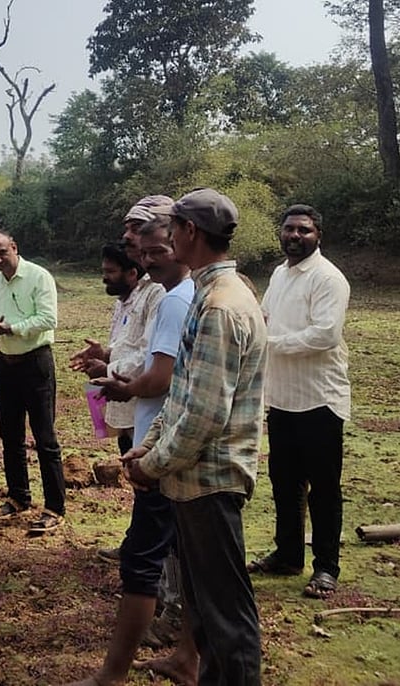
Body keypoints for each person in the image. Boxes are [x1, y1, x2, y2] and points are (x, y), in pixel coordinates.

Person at [122, 188, 266, 684]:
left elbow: (203, 414)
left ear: (189, 232)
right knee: (205, 611)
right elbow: (184, 392)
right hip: (194, 478)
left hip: (211, 480)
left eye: (171, 228)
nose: (163, 239)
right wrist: (150, 445)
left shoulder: (221, 306)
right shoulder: (209, 294)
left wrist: (152, 464)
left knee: (227, 617)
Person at [67, 213, 199, 686]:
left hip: (164, 446)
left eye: (154, 251)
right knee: (183, 550)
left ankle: (115, 673)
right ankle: (187, 655)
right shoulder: (176, 294)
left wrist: (120, 384)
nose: (145, 260)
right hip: (159, 433)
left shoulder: (174, 299)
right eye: (141, 252)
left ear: (184, 240)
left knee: (145, 556)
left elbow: (162, 377)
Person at [252, 204, 351, 600]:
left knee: (323, 487)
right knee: (284, 481)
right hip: (282, 397)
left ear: (318, 235)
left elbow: (325, 335)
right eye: (289, 229)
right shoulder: (280, 274)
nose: (294, 236)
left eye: (304, 230)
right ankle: (288, 555)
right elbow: (264, 317)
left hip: (319, 399)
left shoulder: (328, 278)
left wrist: (269, 343)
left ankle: (326, 567)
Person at [0, 232, 66, 533]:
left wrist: (11, 328)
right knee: (10, 435)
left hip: (35, 361)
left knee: (45, 438)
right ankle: (18, 497)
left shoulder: (38, 276)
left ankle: (54, 507)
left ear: (14, 247)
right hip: (6, 363)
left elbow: (48, 319)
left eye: (2, 252)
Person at [70, 244, 163, 456]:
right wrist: (104, 355)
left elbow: (148, 353)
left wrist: (107, 370)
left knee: (143, 459)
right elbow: (126, 344)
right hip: (123, 406)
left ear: (132, 273)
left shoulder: (156, 294)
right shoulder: (124, 300)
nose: (105, 278)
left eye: (110, 272)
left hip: (144, 404)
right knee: (127, 452)